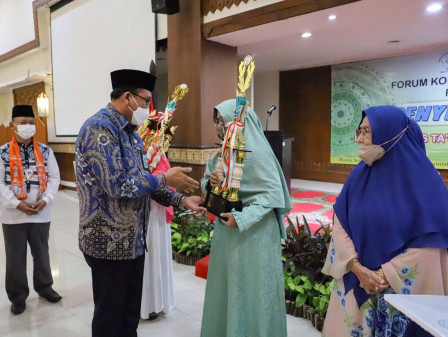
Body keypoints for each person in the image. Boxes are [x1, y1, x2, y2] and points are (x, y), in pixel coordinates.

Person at [75, 69, 205, 337]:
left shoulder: (132, 134)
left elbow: (142, 181)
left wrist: (182, 199)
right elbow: (117, 185)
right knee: (110, 317)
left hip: (133, 240)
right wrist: (165, 178)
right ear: (127, 97)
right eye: (146, 101)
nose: (148, 108)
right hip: (106, 242)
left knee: (129, 315)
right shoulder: (99, 129)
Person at [322, 105, 448, 337]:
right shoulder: (358, 176)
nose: (360, 138)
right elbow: (340, 222)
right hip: (356, 282)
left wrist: (382, 275)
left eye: (367, 131)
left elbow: (431, 244)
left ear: (392, 133)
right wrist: (356, 268)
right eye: (359, 131)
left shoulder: (429, 185)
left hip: (400, 298)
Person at [200, 99, 292, 337]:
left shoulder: (259, 154)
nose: (219, 126)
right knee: (228, 290)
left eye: (223, 120)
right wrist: (210, 183)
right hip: (226, 231)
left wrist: (242, 218)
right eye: (217, 121)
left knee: (253, 292)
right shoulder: (224, 152)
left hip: (255, 234)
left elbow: (272, 195)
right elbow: (207, 180)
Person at [0, 105, 62, 315]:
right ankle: (17, 296)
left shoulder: (45, 150)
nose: (27, 126)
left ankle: (45, 287)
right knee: (15, 256)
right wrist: (17, 204)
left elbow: (54, 177)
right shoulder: (2, 152)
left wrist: (45, 200)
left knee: (42, 252)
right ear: (12, 126)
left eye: (30, 122)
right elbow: (0, 183)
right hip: (12, 214)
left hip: (40, 211)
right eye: (22, 122)